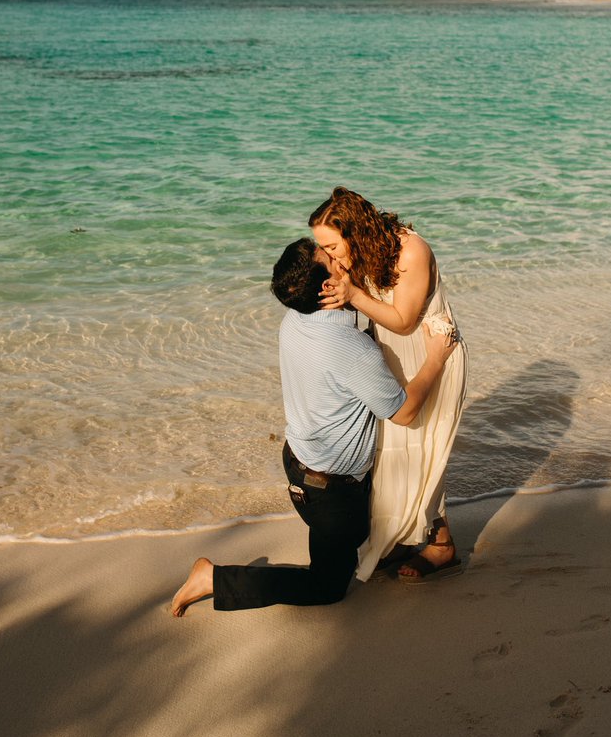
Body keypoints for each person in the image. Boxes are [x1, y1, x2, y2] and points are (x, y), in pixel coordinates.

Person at [171, 237, 456, 616]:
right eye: (332, 258)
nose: (341, 256)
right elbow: (403, 413)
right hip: (332, 493)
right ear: (327, 286)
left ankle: (406, 540)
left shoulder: (295, 320)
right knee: (327, 585)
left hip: (300, 465)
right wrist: (435, 358)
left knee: (352, 534)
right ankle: (215, 578)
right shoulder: (351, 349)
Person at [309, 187, 468, 582]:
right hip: (394, 354)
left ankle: (442, 546)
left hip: (433, 352)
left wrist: (353, 293)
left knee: (425, 454)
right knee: (394, 456)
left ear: (355, 232)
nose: (329, 255)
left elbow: (404, 320)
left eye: (331, 246)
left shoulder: (412, 251)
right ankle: (401, 537)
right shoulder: (358, 252)